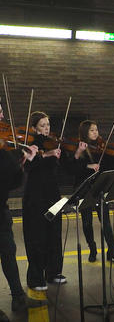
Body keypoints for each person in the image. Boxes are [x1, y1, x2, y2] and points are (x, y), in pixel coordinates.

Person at [0, 105, 43, 315]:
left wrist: (21, 162)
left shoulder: (3, 147)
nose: (1, 116)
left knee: (9, 253)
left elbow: (10, 183)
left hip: (1, 209)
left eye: (1, 111)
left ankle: (18, 298)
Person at [71, 120, 114, 262]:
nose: (95, 132)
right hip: (84, 190)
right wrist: (86, 165)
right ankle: (92, 249)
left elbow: (111, 165)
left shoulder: (102, 147)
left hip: (100, 189)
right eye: (92, 130)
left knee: (106, 222)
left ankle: (112, 250)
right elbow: (72, 169)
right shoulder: (79, 148)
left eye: (96, 129)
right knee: (86, 223)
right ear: (85, 132)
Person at [23, 111, 67, 289]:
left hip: (52, 193)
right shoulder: (29, 143)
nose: (47, 128)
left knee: (54, 233)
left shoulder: (53, 143)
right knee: (37, 236)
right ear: (33, 128)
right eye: (42, 125)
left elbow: (64, 168)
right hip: (35, 195)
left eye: (48, 125)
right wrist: (46, 155)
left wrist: (73, 153)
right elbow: (28, 167)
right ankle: (35, 278)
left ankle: (53, 271)